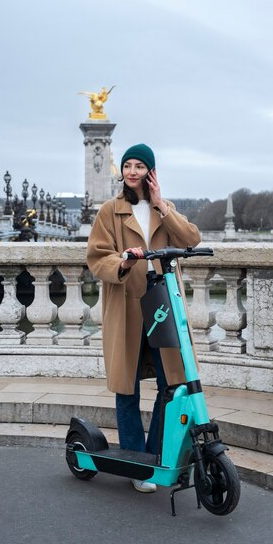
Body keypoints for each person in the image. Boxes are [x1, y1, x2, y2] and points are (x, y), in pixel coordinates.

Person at [86, 143, 201, 493]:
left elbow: (191, 239)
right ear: (121, 171)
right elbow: (96, 256)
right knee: (128, 387)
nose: (132, 172)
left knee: (172, 385)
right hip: (127, 307)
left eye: (140, 166)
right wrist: (122, 263)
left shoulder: (164, 209)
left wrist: (161, 204)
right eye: (128, 166)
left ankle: (155, 454)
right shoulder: (110, 210)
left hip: (162, 307)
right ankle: (137, 462)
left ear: (150, 171)